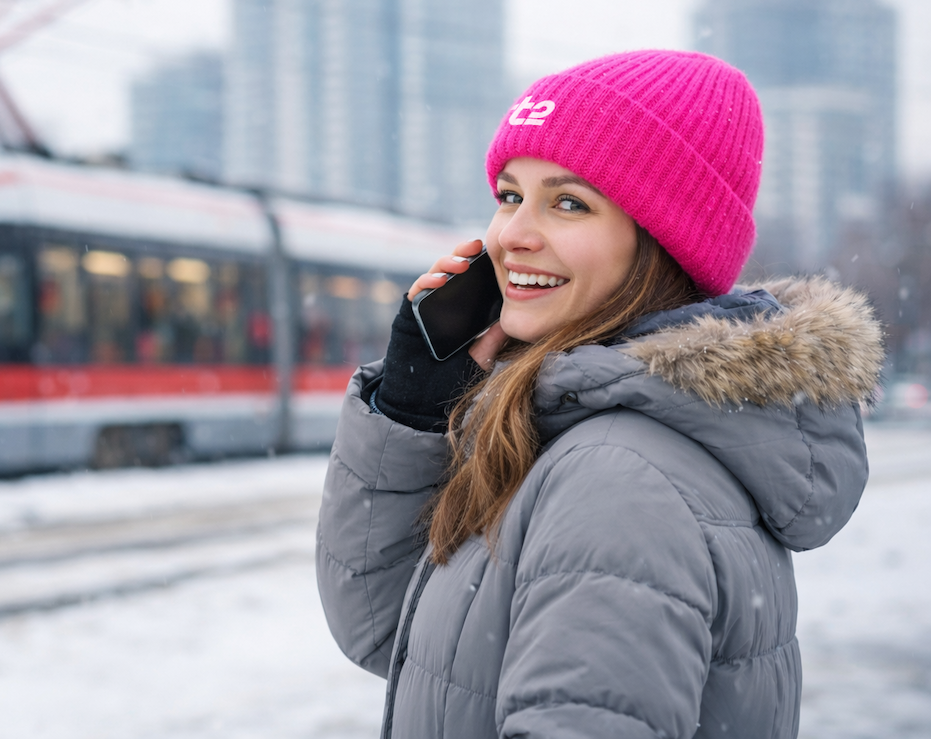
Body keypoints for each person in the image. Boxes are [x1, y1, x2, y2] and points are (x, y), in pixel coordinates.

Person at [315, 50, 884, 739]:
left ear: (660, 243)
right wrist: (411, 412)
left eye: (567, 203)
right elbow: (394, 635)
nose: (513, 235)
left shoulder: (618, 477)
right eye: (509, 195)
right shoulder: (577, 433)